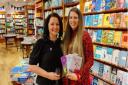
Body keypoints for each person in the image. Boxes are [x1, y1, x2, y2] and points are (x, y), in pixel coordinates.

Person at [28, 13, 63, 85]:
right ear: (47, 26)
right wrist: (48, 75)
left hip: (59, 82)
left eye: (57, 24)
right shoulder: (40, 43)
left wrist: (65, 72)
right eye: (52, 24)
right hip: (44, 82)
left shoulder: (62, 43)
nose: (55, 27)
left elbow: (64, 63)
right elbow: (31, 66)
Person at [63, 7, 94, 85]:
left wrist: (78, 75)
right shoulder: (66, 36)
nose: (72, 20)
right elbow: (64, 56)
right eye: (70, 18)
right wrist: (64, 72)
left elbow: (90, 60)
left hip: (79, 79)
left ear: (80, 20)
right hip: (68, 78)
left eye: (75, 18)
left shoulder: (85, 36)